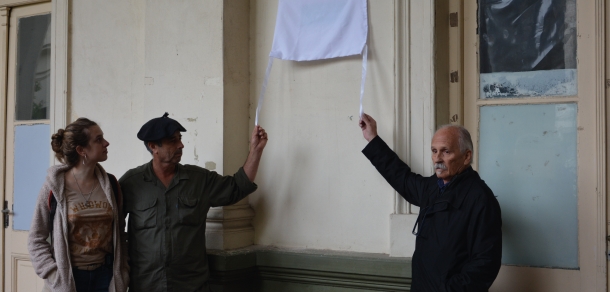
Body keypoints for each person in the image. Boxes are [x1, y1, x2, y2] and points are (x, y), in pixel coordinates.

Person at [119, 112, 268, 291]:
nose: (181, 145)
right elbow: (113, 228)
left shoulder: (198, 180)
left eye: (180, 139)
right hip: (146, 285)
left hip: (191, 285)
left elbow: (237, 187)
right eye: (172, 141)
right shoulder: (131, 183)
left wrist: (256, 150)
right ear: (153, 147)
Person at [359, 113, 502, 291]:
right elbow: (401, 177)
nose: (437, 159)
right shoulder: (433, 187)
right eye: (434, 151)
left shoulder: (481, 199)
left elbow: (485, 263)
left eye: (446, 151)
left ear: (466, 157)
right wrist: (372, 138)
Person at [28, 118, 129, 292]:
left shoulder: (111, 184)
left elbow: (119, 230)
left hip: (106, 277)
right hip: (70, 279)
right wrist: (54, 274)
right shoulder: (54, 187)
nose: (106, 143)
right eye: (98, 140)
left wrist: (123, 271)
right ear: (81, 150)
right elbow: (36, 239)